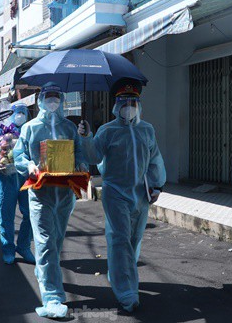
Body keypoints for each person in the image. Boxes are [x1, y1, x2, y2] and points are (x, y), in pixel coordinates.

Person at [78, 80, 166, 312]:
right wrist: (86, 137)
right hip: (115, 193)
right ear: (116, 106)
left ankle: (119, 274)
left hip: (141, 194)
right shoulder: (108, 131)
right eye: (124, 102)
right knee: (120, 241)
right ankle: (127, 291)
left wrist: (157, 186)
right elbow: (94, 156)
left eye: (133, 102)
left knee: (133, 240)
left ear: (138, 104)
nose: (129, 106)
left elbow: (155, 159)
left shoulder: (147, 129)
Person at [14, 84, 87, 318]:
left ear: (62, 100)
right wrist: (29, 165)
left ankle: (45, 274)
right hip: (41, 193)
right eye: (49, 97)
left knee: (56, 240)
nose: (53, 101)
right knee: (45, 243)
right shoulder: (30, 127)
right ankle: (52, 297)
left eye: (56, 97)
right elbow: (19, 155)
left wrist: (82, 164)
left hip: (64, 194)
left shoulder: (69, 127)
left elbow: (80, 152)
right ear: (41, 100)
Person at [0, 103, 35, 265]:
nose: (20, 115)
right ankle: (8, 249)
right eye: (17, 112)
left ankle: (24, 247)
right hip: (6, 178)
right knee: (5, 215)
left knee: (30, 214)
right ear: (10, 113)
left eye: (23, 112)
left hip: (26, 178)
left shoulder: (30, 130)